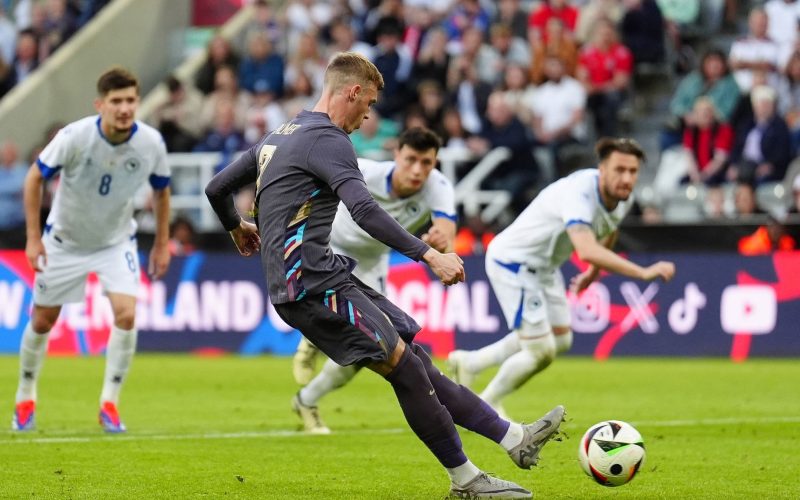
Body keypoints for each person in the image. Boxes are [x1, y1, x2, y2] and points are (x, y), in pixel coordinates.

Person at [205, 52, 564, 499]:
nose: (368, 114)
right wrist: (428, 256)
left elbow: (216, 187)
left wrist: (236, 227)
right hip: (310, 285)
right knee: (405, 370)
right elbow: (365, 210)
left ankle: (515, 438)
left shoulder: (280, 135)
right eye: (369, 102)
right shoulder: (330, 140)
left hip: (326, 277)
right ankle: (466, 481)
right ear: (352, 92)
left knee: (418, 363)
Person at [448, 138, 675, 418]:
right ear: (602, 168)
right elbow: (587, 249)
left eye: (632, 171)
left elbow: (609, 229)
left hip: (544, 268)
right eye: (619, 170)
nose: (626, 178)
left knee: (561, 339)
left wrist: (592, 273)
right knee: (541, 350)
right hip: (514, 263)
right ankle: (486, 405)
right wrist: (643, 272)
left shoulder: (621, 198)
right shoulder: (579, 193)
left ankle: (471, 362)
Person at [12, 67, 171, 433]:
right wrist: (34, 238)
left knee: (127, 315)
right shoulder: (75, 137)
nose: (124, 108)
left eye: (130, 100)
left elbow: (162, 191)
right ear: (100, 104)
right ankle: (25, 396)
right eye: (116, 101)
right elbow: (35, 177)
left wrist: (162, 244)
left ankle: (109, 405)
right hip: (65, 243)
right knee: (42, 320)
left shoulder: (150, 143)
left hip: (115, 242)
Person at [291, 127, 457, 434]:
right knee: (339, 322)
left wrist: (441, 239)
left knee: (369, 349)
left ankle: (306, 400)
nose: (418, 170)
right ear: (396, 155)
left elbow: (447, 229)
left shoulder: (439, 186)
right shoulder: (365, 170)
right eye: (411, 160)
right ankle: (311, 340)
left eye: (426, 162)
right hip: (330, 249)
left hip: (371, 263)